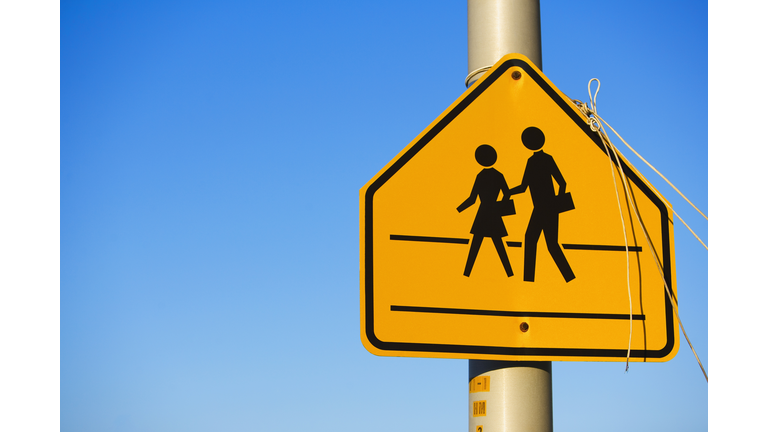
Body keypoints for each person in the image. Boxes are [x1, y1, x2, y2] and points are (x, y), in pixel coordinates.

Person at [509, 127, 575, 282]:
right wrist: (556, 203)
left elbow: (524, 187)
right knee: (545, 243)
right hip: (545, 208)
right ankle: (566, 277)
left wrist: (508, 192)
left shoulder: (536, 161)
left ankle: (530, 279)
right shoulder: (541, 159)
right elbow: (561, 183)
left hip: (543, 208)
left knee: (538, 241)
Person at [457, 144, 514, 277]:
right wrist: (501, 206)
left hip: (483, 213)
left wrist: (459, 209)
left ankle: (467, 273)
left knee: (476, 245)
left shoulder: (480, 176)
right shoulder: (499, 175)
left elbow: (472, 199)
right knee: (498, 245)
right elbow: (507, 193)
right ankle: (509, 273)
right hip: (494, 212)